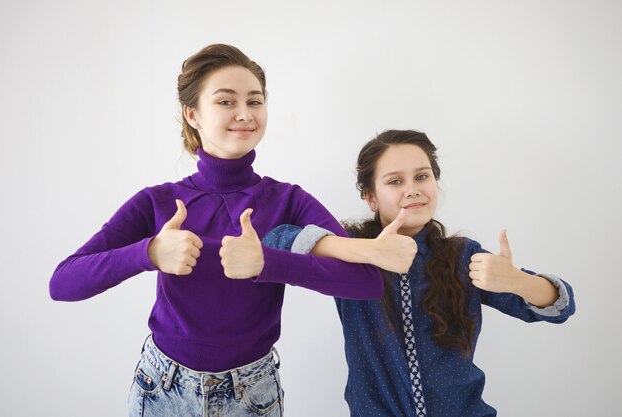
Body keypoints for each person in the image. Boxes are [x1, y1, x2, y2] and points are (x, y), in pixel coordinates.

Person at [49, 45, 417, 417]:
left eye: (255, 102)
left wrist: (268, 263)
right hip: (162, 391)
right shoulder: (156, 202)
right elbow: (63, 282)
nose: (245, 114)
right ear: (192, 114)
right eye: (226, 102)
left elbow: (366, 283)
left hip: (252, 396)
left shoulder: (288, 200)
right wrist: (149, 253)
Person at [261, 129, 576, 416]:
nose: (412, 190)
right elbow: (273, 241)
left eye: (422, 177)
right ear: (371, 197)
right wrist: (362, 252)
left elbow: (561, 307)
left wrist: (518, 281)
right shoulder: (350, 251)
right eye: (395, 181)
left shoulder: (462, 255)